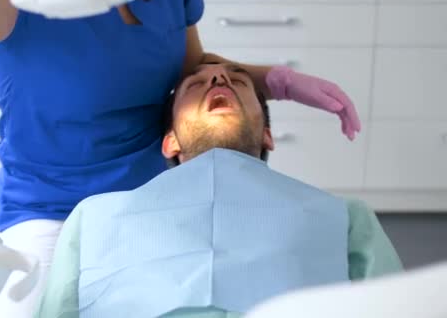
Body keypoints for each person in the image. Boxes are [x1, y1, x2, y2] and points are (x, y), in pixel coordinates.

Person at [0, 0, 362, 316]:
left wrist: (278, 82)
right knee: (30, 311)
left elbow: (192, 68)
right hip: (51, 202)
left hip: (152, 195)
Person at [36, 63, 401, 318]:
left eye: (237, 82)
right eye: (197, 85)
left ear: (267, 135)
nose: (219, 80)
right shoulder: (95, 217)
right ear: (170, 142)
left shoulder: (343, 217)